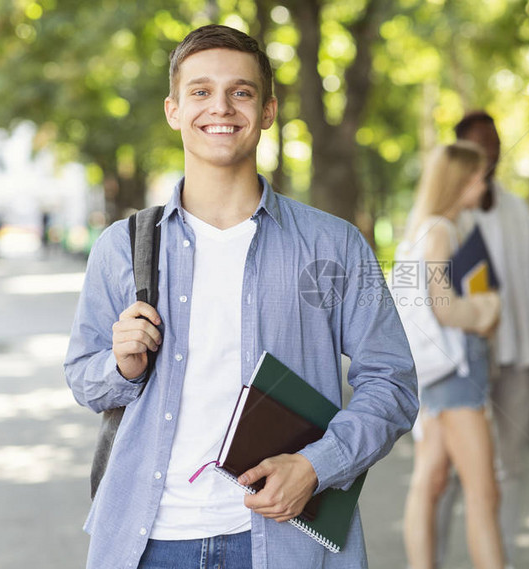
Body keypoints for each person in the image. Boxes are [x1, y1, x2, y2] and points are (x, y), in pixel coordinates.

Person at [64, 24, 418, 569]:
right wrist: (121, 366)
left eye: (242, 92)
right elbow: (83, 379)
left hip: (287, 539)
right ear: (173, 110)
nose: (221, 107)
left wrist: (318, 466)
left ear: (268, 109)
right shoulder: (122, 247)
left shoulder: (335, 244)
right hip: (148, 540)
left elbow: (391, 381)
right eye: (200, 91)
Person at [433, 111, 529, 567]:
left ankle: (497, 556)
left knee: (509, 465)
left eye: (495, 142)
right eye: (479, 144)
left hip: (516, 354)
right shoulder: (448, 218)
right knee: (447, 472)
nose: (491, 151)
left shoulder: (516, 207)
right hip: (465, 361)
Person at [400, 141, 504, 569]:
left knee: (430, 481)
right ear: (462, 181)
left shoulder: (429, 227)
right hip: (456, 375)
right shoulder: (442, 229)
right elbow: (442, 305)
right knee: (483, 493)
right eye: (479, 176)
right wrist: (486, 312)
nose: (484, 184)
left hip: (437, 372)